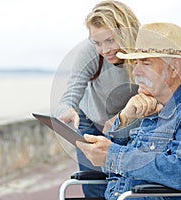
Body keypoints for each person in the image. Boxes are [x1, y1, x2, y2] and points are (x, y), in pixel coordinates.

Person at [76, 22, 181, 200]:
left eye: (146, 63)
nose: (136, 71)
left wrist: (113, 155)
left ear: (173, 68)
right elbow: (110, 165)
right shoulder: (149, 106)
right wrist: (125, 118)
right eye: (135, 62)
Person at [54, 1, 140, 198]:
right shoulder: (90, 51)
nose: (104, 49)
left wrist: (121, 120)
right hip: (91, 121)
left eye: (110, 40)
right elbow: (73, 88)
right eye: (98, 43)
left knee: (127, 182)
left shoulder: (143, 52)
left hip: (133, 123)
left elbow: (152, 96)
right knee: (93, 182)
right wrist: (66, 108)